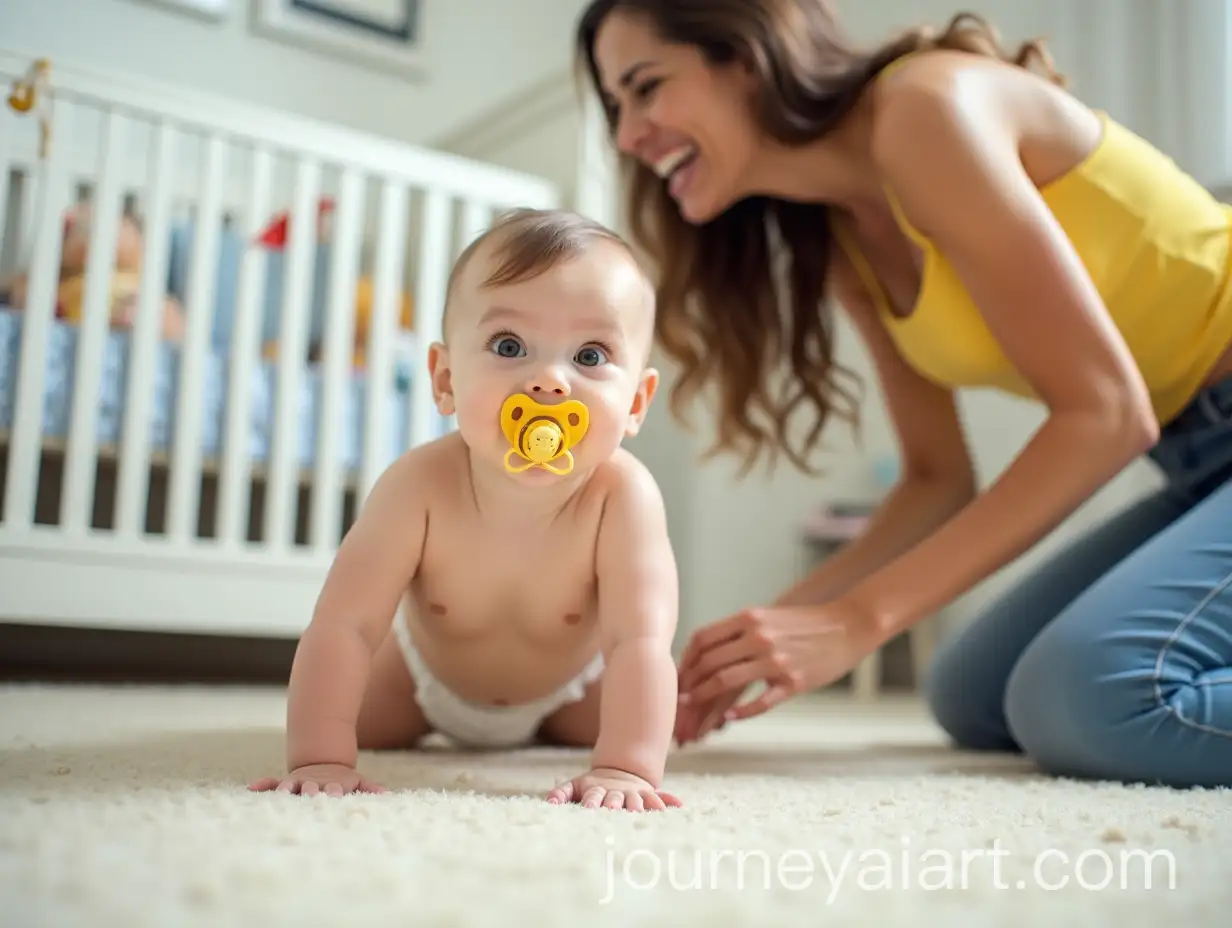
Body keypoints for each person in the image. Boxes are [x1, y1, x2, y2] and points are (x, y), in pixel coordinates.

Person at [577, 0, 1232, 789]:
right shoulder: (846, 234)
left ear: (746, 54)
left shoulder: (926, 110)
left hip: (1183, 427)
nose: (627, 135)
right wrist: (759, 641)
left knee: (1097, 698)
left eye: (645, 87)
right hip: (1199, 454)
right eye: (618, 106)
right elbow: (936, 479)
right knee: (971, 695)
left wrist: (855, 621)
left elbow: (1106, 415)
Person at [249, 208, 683, 811]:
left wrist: (627, 767)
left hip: (571, 690)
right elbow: (344, 626)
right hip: (422, 685)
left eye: (589, 356)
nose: (550, 382)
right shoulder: (418, 486)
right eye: (510, 346)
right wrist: (321, 757)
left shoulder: (623, 498)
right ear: (446, 378)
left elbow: (640, 641)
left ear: (635, 402)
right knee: (346, 718)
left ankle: (589, 734)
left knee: (658, 719)